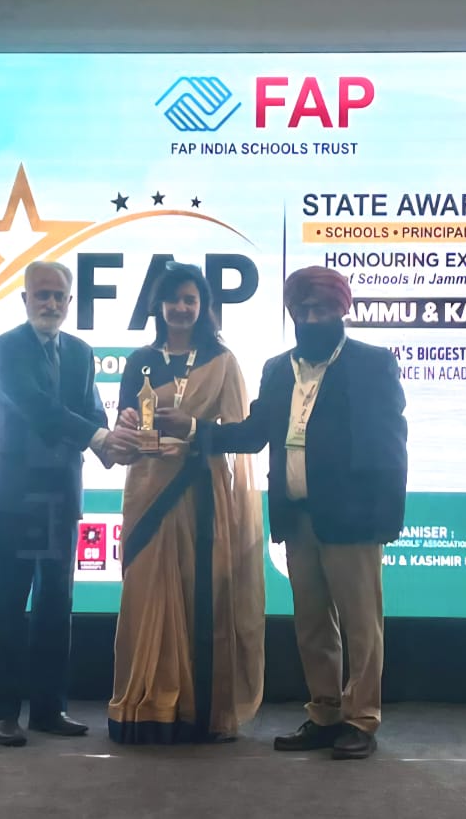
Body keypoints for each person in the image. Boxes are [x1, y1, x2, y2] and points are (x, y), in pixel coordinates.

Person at [157, 265, 408, 760]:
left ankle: (362, 719)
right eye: (302, 310)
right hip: (297, 516)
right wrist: (195, 429)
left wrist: (387, 518)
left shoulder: (372, 363)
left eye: (322, 309)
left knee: (361, 625)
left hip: (353, 518)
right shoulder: (277, 369)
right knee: (311, 623)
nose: (311, 318)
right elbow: (253, 434)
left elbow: (390, 446)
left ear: (342, 310)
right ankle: (325, 713)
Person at [0, 260, 142, 747]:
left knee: (55, 607)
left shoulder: (81, 352)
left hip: (59, 496)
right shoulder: (5, 347)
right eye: (41, 294)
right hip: (13, 497)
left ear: (70, 302)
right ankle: (1, 713)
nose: (50, 303)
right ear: (25, 299)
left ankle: (49, 709)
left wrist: (113, 446)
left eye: (58, 296)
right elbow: (38, 410)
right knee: (6, 607)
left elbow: (91, 412)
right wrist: (100, 438)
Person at [107, 261, 265, 744]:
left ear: (203, 307)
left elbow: (242, 436)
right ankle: (147, 705)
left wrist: (193, 431)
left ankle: (196, 710)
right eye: (173, 299)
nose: (180, 307)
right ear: (158, 305)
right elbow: (126, 423)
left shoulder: (222, 361)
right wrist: (127, 423)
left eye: (190, 300)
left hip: (200, 494)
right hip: (147, 489)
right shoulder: (140, 359)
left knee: (202, 594)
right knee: (145, 591)